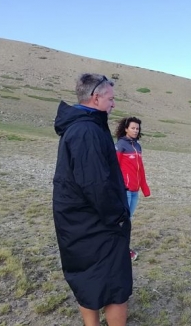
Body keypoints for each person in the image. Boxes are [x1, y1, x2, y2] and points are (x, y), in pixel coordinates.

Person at [52, 73, 132, 326]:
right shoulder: (87, 131)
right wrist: (118, 218)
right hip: (96, 225)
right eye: (111, 98)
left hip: (76, 222)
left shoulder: (79, 126)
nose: (113, 104)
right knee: (115, 285)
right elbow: (96, 184)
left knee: (87, 278)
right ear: (96, 98)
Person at [115, 117, 151, 261]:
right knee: (124, 221)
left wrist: (145, 188)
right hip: (125, 190)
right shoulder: (120, 145)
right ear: (126, 128)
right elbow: (114, 168)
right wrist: (118, 187)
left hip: (135, 191)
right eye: (133, 128)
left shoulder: (137, 146)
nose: (135, 130)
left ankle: (121, 248)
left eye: (137, 128)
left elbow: (140, 169)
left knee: (127, 221)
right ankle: (122, 250)